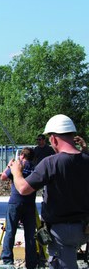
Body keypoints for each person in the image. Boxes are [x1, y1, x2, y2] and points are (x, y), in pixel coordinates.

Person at [9, 114, 89, 269]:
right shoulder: (86, 160)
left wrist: (16, 172)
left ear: (53, 139)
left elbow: (23, 188)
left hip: (62, 232)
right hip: (83, 229)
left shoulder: (51, 163)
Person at [0, 147, 37, 269]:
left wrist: (9, 165)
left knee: (10, 231)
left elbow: (3, 177)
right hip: (30, 203)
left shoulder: (17, 165)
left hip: (15, 202)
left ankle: (7, 260)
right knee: (30, 234)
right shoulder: (35, 168)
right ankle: (31, 262)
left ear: (21, 155)